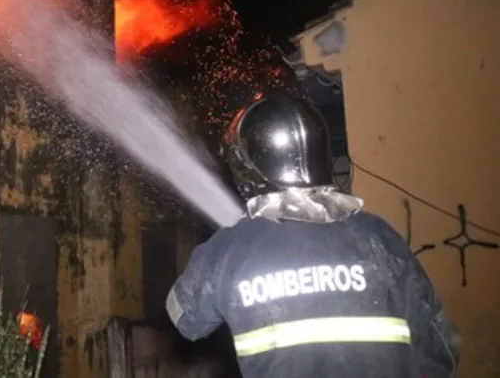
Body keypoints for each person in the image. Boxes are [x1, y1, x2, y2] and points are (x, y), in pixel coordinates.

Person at [165, 92, 461, 378]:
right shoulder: (379, 237)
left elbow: (183, 318)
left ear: (246, 166)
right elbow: (443, 348)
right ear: (321, 153)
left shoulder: (227, 251)